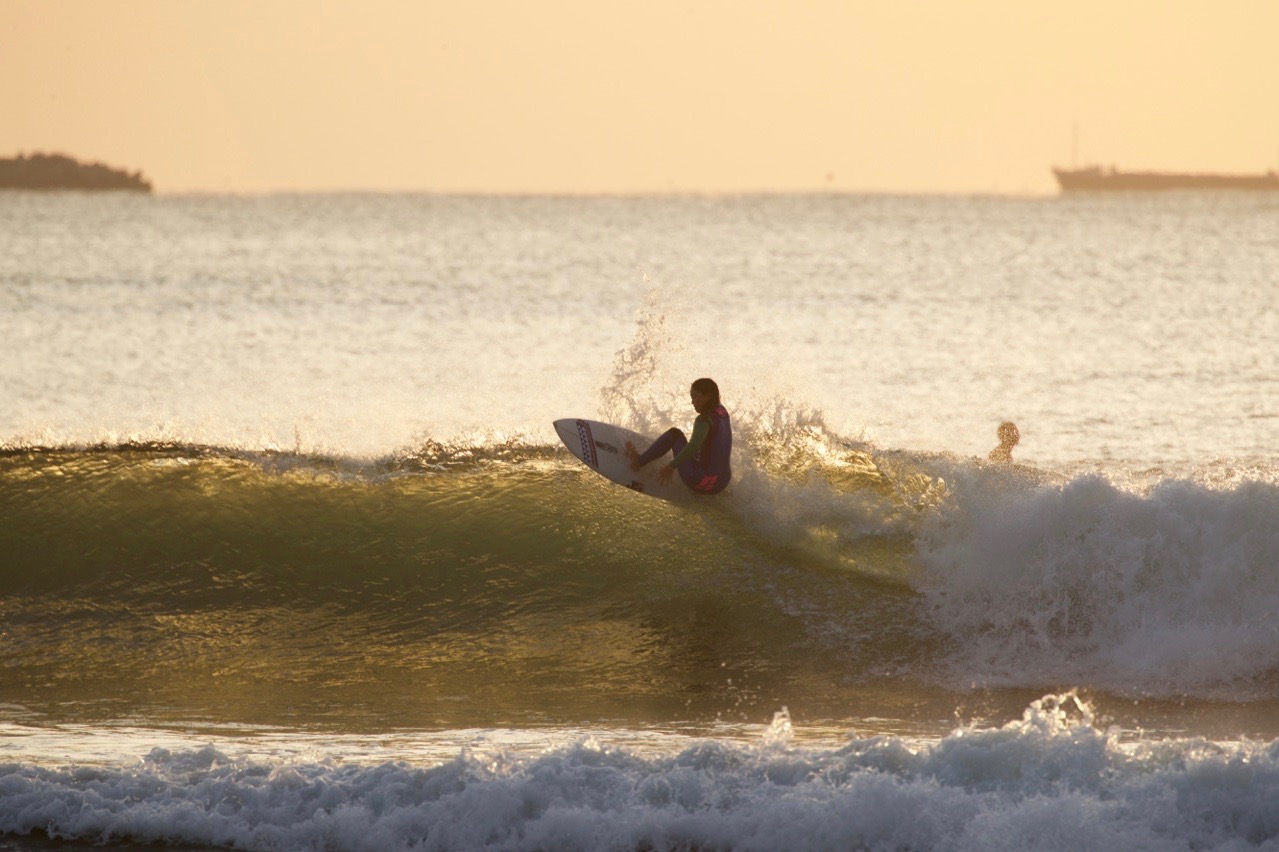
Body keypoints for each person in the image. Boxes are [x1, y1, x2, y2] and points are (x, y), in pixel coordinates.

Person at [625, 378, 732, 494]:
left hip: (699, 480)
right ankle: (707, 490)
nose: (692, 402)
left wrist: (672, 466)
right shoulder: (722, 412)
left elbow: (694, 445)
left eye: (695, 396)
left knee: (674, 434)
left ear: (708, 396)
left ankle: (638, 462)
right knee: (707, 449)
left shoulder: (704, 419)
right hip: (722, 483)